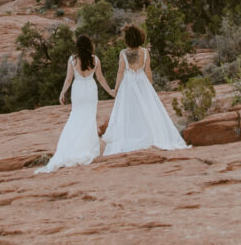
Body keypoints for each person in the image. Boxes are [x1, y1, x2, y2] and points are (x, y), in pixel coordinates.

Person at [102, 24, 190, 156]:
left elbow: (120, 72)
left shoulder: (123, 53)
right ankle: (150, 136)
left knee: (130, 112)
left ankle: (132, 137)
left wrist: (116, 88)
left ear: (127, 39)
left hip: (128, 84)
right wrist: (149, 87)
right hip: (142, 82)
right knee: (147, 110)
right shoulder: (144, 52)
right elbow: (148, 70)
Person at [36, 33, 115, 173]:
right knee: (89, 119)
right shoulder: (95, 59)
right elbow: (101, 78)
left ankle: (72, 148)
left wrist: (62, 92)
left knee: (76, 117)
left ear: (78, 47)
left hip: (78, 89)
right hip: (90, 89)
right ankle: (87, 148)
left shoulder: (72, 60)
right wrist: (110, 91)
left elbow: (68, 79)